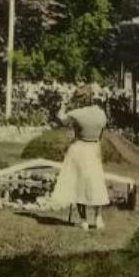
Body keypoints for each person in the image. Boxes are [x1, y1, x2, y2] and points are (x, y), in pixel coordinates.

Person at [52, 87, 110, 230]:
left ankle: (83, 220)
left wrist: (63, 106)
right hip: (93, 148)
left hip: (78, 148)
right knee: (96, 183)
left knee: (78, 184)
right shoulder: (101, 114)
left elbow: (61, 119)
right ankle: (98, 218)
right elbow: (101, 134)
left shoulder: (76, 113)